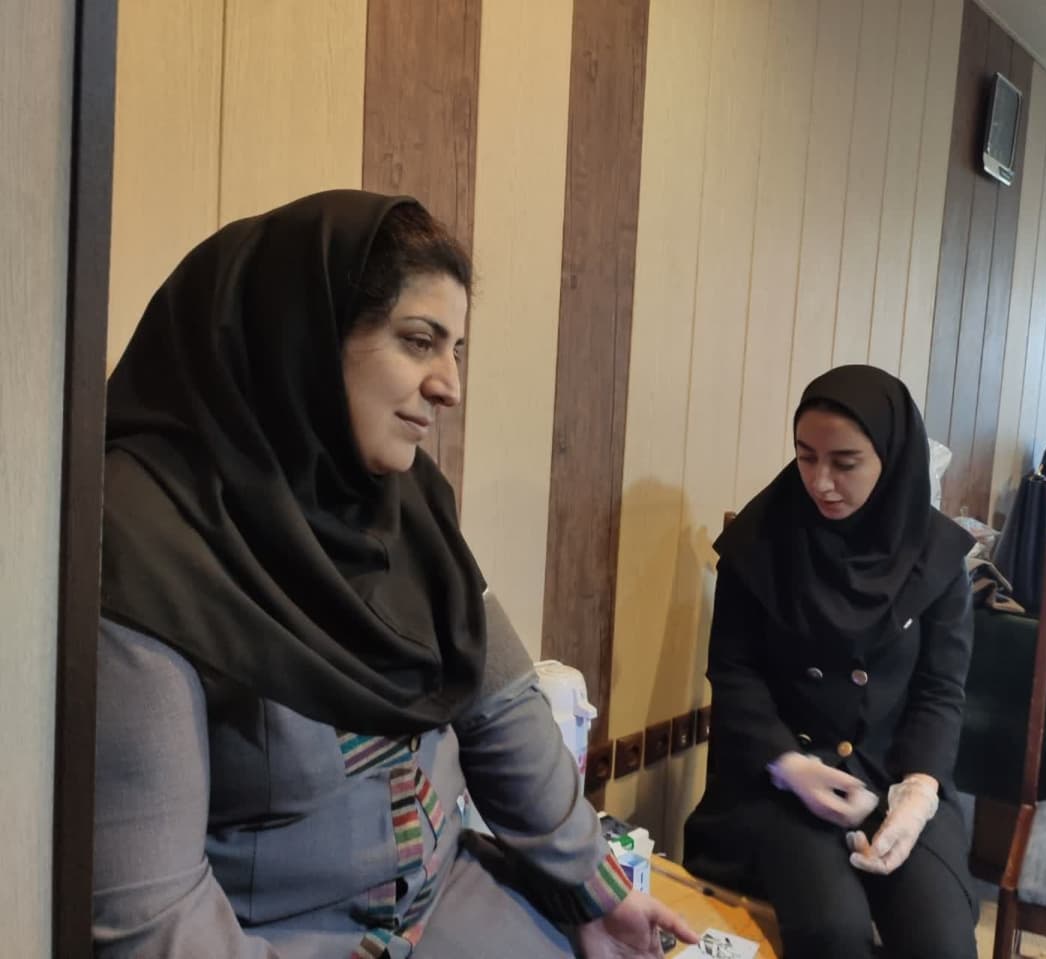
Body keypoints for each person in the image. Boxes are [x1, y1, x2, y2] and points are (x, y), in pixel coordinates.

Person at [93, 190, 696, 959]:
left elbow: (500, 703)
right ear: (304, 339)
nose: (449, 385)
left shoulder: (405, 504)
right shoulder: (145, 543)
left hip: (441, 897)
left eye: (456, 350)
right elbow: (155, 919)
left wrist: (595, 887)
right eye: (419, 341)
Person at [683, 366, 978, 958]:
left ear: (892, 458)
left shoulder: (938, 555)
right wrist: (788, 763)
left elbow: (940, 691)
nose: (821, 482)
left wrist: (919, 790)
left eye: (845, 463)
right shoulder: (760, 542)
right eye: (805, 456)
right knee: (832, 931)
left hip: (896, 773)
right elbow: (735, 675)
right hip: (786, 780)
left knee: (940, 943)